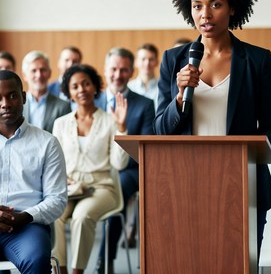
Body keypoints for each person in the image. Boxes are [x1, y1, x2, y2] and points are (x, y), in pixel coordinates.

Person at [154, 0, 271, 256]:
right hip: (185, 183)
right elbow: (159, 129)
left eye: (215, 4)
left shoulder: (257, 60)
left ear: (233, 7)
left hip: (241, 183)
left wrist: (248, 155)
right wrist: (179, 97)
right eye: (197, 6)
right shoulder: (173, 60)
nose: (205, 14)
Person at [51, 65, 130, 274]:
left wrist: (122, 129)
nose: (81, 89)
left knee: (82, 216)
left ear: (95, 86)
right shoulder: (60, 124)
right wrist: (63, 179)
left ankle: (77, 272)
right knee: (52, 215)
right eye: (75, 86)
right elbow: (54, 162)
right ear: (69, 93)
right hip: (69, 187)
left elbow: (119, 164)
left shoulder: (110, 121)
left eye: (86, 83)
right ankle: (61, 271)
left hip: (102, 188)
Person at [0, 70, 67, 274]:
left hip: (28, 226)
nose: (5, 103)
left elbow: (57, 199)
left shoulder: (47, 143)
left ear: (24, 97)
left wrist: (25, 216)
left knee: (36, 261)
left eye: (12, 95)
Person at [96, 47, 155, 274]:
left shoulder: (144, 105)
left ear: (131, 72)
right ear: (105, 70)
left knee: (116, 188)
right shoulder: (93, 101)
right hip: (94, 170)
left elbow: (145, 150)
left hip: (130, 171)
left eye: (123, 70)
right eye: (113, 69)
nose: (117, 75)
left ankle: (104, 260)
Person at [21, 50, 71, 133]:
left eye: (43, 70)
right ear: (24, 75)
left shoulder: (63, 106)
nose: (39, 75)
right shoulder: (16, 105)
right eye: (34, 70)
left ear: (50, 73)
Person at [128, 43, 159, 109]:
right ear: (136, 62)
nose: (147, 63)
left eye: (151, 59)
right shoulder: (129, 88)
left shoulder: (164, 87)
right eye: (143, 59)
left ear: (157, 62)